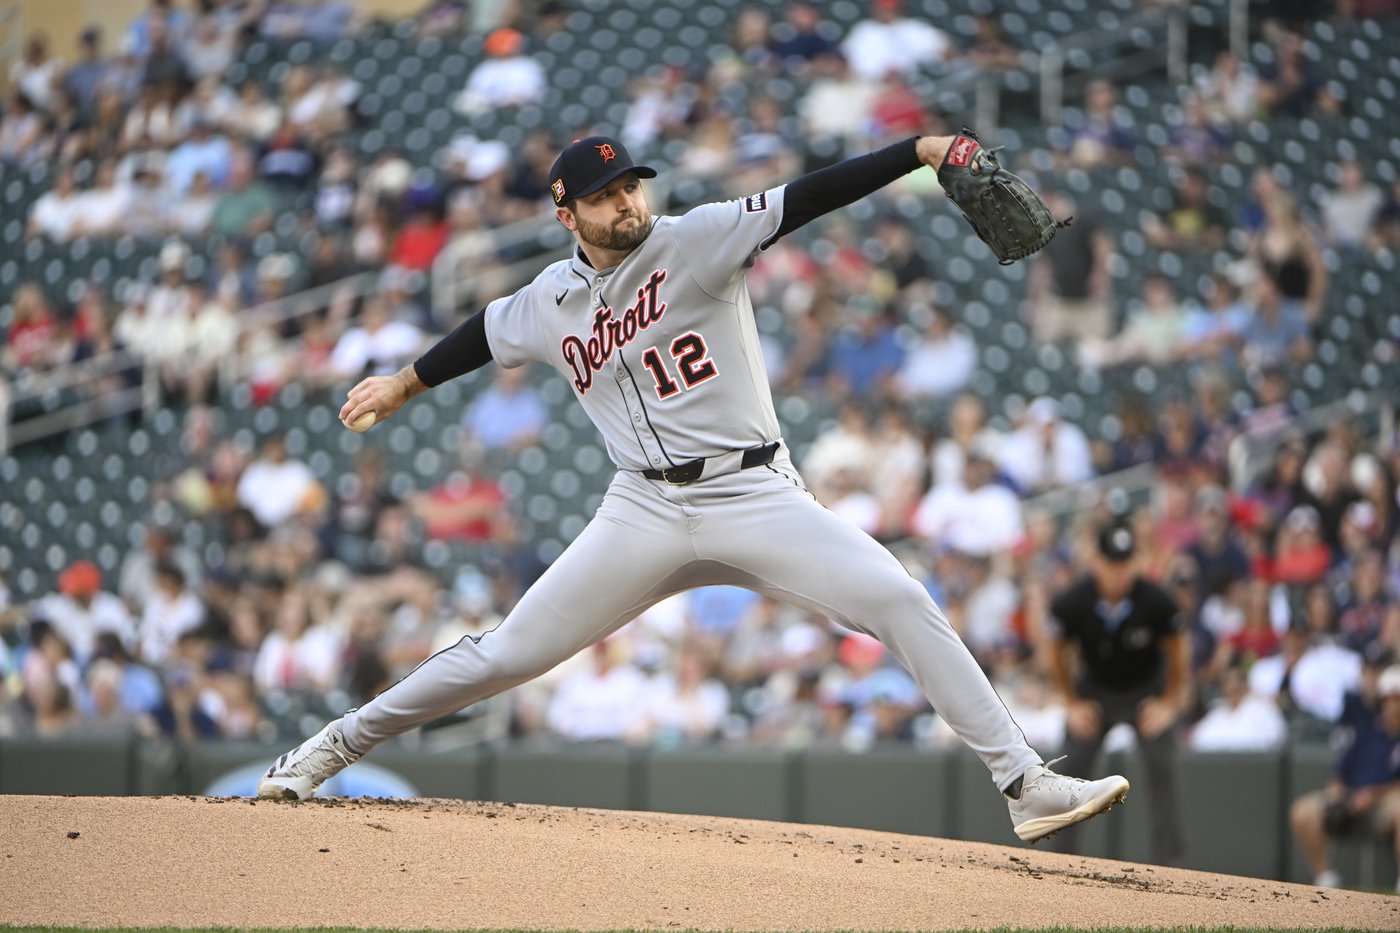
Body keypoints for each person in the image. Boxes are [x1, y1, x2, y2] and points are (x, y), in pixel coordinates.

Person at [257, 131, 1130, 845]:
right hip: (642, 506)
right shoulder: (548, 299)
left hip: (754, 493)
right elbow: (480, 336)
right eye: (603, 196)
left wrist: (917, 150)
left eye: (629, 187)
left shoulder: (697, 237)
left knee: (898, 596)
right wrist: (402, 384)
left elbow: (809, 196)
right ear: (566, 213)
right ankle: (330, 747)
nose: (626, 204)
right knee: (506, 655)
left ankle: (1026, 784)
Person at [1046, 521, 1188, 865]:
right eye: (1112, 563)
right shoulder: (1075, 601)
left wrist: (1169, 702)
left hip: (1145, 693)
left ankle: (1169, 868)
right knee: (1069, 768)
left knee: (1163, 766)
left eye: (1125, 563)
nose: (1119, 572)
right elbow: (1056, 651)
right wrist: (1072, 703)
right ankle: (1057, 863)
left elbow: (1178, 650)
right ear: (1097, 563)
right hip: (1095, 692)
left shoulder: (1154, 600)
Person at [1289, 664, 1400, 891]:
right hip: (1351, 800)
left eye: (1397, 699)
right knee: (1303, 810)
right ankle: (1325, 878)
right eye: (1390, 700)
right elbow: (1340, 772)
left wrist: (1374, 795)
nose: (1394, 706)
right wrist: (1337, 790)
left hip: (1384, 805)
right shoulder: (1368, 732)